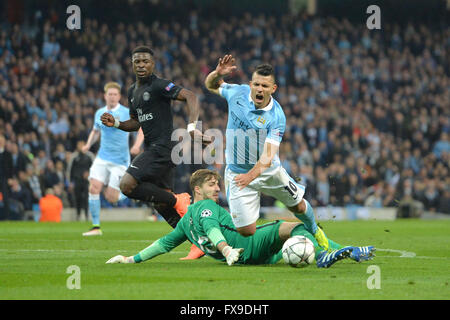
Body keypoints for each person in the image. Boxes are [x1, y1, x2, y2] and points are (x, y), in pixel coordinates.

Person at [106, 169, 375, 267]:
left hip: (246, 256)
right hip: (244, 246)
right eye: (212, 184)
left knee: (289, 241)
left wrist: (131, 259)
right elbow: (212, 229)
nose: (217, 188)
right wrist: (226, 249)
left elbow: (163, 244)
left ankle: (343, 252)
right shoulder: (202, 209)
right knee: (293, 228)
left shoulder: (186, 223)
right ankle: (327, 253)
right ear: (197, 190)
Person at [204, 55, 329, 249]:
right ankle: (281, 231)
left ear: (273, 89)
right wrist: (217, 73)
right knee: (246, 231)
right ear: (250, 84)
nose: (259, 89)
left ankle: (314, 229)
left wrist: (250, 176)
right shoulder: (237, 93)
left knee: (298, 206)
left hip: (268, 171)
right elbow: (211, 85)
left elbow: (268, 156)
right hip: (238, 173)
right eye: (256, 84)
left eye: (264, 86)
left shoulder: (276, 116)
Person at [100, 46, 211, 258]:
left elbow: (191, 96)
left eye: (145, 62)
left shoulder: (160, 85)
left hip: (163, 147)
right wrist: (115, 123)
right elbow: (135, 122)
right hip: (155, 148)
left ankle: (179, 200)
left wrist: (191, 127)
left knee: (127, 185)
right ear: (132, 65)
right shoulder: (133, 91)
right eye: (137, 62)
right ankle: (199, 242)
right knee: (161, 203)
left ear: (153, 64)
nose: (141, 65)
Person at [81, 81, 144, 236]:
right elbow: (95, 131)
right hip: (102, 157)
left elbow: (141, 129)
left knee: (111, 198)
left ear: (119, 96)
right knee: (93, 188)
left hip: (120, 160)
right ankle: (96, 227)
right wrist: (88, 144)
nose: (112, 97)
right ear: (105, 96)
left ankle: (132, 193)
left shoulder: (127, 112)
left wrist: (136, 145)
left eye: (115, 94)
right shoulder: (99, 113)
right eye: (110, 94)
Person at [66, 140, 95, 221]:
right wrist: (70, 182)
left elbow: (95, 168)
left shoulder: (90, 156)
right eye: (79, 145)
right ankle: (78, 215)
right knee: (78, 198)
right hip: (77, 180)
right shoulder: (74, 157)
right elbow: (70, 170)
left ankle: (86, 216)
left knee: (86, 198)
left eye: (82, 145)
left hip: (87, 181)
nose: (81, 146)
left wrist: (89, 174)